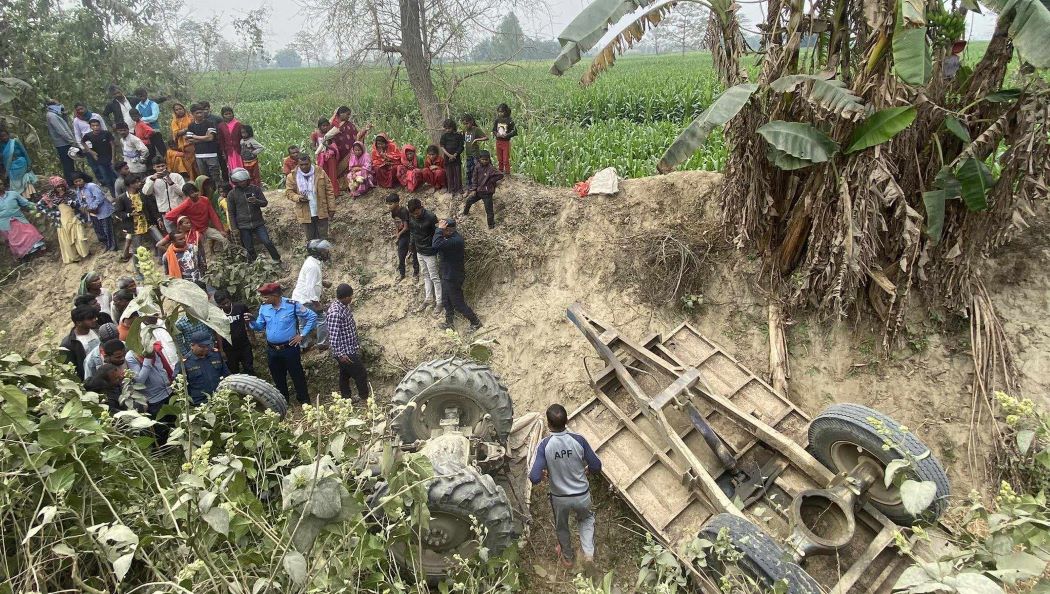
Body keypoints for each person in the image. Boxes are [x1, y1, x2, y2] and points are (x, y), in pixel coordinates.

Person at [529, 403, 602, 569]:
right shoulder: (578, 440)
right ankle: (588, 555)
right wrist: (588, 470)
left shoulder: (545, 445)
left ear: (548, 424)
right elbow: (596, 466)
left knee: (562, 526)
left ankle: (568, 559)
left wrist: (542, 474)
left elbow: (533, 478)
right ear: (567, 420)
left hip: (560, 498)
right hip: (582, 495)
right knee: (586, 519)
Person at [247, 283, 316, 405]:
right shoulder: (264, 308)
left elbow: (312, 316)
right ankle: (283, 403)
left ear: (275, 295)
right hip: (272, 350)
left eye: (266, 297)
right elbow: (259, 327)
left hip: (289, 348)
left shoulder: (292, 305)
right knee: (278, 378)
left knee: (297, 375)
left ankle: (304, 401)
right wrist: (251, 322)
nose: (263, 299)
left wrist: (302, 335)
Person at [433, 219, 482, 331]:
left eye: (442, 229)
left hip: (453, 276)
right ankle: (449, 323)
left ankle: (475, 322)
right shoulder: (448, 237)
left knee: (457, 303)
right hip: (447, 274)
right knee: (446, 300)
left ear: (449, 230)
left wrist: (439, 231)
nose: (439, 231)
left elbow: (435, 245)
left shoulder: (456, 240)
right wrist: (440, 230)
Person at [125, 337, 175, 442]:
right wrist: (147, 360)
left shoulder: (154, 349)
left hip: (169, 392)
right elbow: (139, 381)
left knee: (175, 425)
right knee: (162, 432)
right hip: (154, 399)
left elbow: (163, 367)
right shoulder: (132, 356)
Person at [327, 283, 369, 402]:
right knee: (361, 373)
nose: (351, 298)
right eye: (350, 296)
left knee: (344, 374)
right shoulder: (335, 313)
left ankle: (346, 399)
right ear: (345, 297)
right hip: (345, 352)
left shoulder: (343, 307)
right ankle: (365, 399)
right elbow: (333, 337)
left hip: (349, 348)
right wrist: (341, 354)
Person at [227, 168, 281, 262]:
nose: (243, 183)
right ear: (235, 182)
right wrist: (234, 228)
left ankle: (277, 259)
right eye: (240, 181)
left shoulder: (255, 189)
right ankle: (255, 263)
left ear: (248, 179)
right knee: (249, 247)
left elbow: (264, 203)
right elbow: (231, 212)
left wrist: (256, 201)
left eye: (244, 180)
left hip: (258, 222)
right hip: (243, 225)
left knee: (267, 241)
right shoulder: (232, 194)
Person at [315, 107, 370, 194]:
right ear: (341, 114)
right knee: (335, 171)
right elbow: (327, 137)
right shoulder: (333, 124)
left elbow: (356, 136)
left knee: (348, 168)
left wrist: (364, 131)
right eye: (347, 114)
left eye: (349, 114)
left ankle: (349, 185)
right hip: (335, 153)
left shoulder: (350, 125)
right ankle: (337, 187)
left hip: (348, 152)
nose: (349, 116)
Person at [39, 177, 90, 264]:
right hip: (61, 221)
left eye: (62, 186)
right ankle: (74, 258)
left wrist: (70, 202)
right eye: (58, 187)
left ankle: (85, 254)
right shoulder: (50, 196)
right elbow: (39, 206)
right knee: (67, 242)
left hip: (74, 218)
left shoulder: (71, 193)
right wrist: (52, 214)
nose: (60, 188)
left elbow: (80, 203)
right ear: (54, 187)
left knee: (80, 237)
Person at [164, 183, 228, 252]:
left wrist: (221, 230)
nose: (194, 194)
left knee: (224, 240)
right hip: (194, 231)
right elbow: (169, 215)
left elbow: (213, 216)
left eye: (195, 192)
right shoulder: (186, 204)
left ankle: (228, 256)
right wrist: (182, 221)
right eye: (191, 193)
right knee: (195, 249)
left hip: (205, 228)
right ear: (187, 195)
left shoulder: (205, 200)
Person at [286, 153, 336, 241]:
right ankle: (313, 254)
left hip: (321, 211)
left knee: (323, 237)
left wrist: (331, 208)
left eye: (306, 164)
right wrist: (298, 198)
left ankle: (324, 254)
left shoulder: (320, 172)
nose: (304, 167)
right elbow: (289, 192)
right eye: (301, 165)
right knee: (311, 239)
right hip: (305, 212)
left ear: (310, 162)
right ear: (298, 164)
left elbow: (329, 190)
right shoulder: (292, 176)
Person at [291, 239, 331, 347]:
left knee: (304, 322)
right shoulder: (313, 266)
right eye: (323, 251)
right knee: (321, 318)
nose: (326, 252)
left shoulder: (313, 261)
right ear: (316, 252)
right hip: (305, 300)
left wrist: (322, 282)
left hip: (301, 299)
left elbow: (310, 280)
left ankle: (304, 345)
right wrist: (317, 304)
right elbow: (310, 287)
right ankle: (322, 343)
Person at [407, 198, 442, 315]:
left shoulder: (431, 217)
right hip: (419, 250)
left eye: (416, 212)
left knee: (435, 277)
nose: (415, 215)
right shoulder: (411, 216)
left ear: (420, 208)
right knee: (425, 275)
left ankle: (439, 302)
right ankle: (428, 299)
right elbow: (412, 232)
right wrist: (411, 246)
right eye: (413, 213)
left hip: (430, 251)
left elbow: (438, 233)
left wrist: (435, 247)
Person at [0, 178, 46, 260]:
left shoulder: (13, 194)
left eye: (1, 184)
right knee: (14, 242)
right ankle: (25, 257)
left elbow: (26, 203)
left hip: (19, 219)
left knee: (31, 233)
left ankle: (40, 250)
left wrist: (39, 205)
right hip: (5, 225)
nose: (0, 186)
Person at [73, 172, 117, 252]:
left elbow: (100, 197)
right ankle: (107, 245)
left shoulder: (91, 186)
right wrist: (85, 207)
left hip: (103, 211)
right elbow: (81, 201)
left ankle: (113, 248)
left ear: (83, 179)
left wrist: (92, 207)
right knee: (99, 232)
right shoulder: (78, 191)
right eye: (76, 182)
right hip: (92, 214)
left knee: (108, 230)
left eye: (79, 180)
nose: (78, 183)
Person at [183, 331, 229, 406]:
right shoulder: (184, 363)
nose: (206, 348)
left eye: (207, 345)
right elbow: (182, 388)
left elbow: (227, 375)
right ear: (192, 345)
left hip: (221, 398)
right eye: (202, 346)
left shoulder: (216, 355)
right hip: (201, 404)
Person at [214, 289, 254, 375]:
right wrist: (221, 350)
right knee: (233, 371)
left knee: (249, 368)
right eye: (223, 304)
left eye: (227, 302)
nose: (226, 305)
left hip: (244, 345)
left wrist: (252, 338)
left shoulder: (240, 307)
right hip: (228, 348)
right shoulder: (217, 314)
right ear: (218, 304)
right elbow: (218, 332)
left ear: (230, 299)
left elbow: (248, 323)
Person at [463, 150, 505, 229]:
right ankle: (465, 213)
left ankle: (491, 226)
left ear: (489, 159)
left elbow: (500, 175)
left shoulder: (491, 168)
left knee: (489, 210)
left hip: (487, 193)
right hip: (478, 191)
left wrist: (491, 181)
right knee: (469, 201)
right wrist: (474, 189)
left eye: (486, 160)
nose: (484, 161)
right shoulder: (477, 167)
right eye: (483, 159)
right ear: (479, 159)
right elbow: (474, 179)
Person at [144, 158, 186, 232]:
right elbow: (146, 192)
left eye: (162, 166)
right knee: (173, 235)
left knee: (185, 231)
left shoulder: (176, 176)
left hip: (179, 210)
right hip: (166, 213)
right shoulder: (150, 179)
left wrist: (171, 182)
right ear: (154, 167)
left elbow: (183, 192)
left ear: (166, 165)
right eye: (158, 166)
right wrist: (152, 179)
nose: (161, 168)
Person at [60, 305, 101, 379]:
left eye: (94, 317)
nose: (94, 320)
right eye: (90, 319)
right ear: (78, 322)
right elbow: (70, 370)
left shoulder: (98, 331)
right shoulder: (69, 344)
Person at [185, 104, 223, 183]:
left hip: (211, 154)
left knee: (215, 177)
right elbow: (190, 140)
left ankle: (219, 193)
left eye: (201, 112)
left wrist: (195, 136)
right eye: (197, 113)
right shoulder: (191, 126)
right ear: (192, 114)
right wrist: (205, 137)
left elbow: (211, 138)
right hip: (199, 155)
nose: (200, 115)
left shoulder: (210, 123)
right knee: (204, 179)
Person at [81, 118, 118, 197]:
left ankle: (122, 192)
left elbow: (112, 145)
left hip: (110, 158)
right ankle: (114, 195)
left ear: (100, 126)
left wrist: (113, 158)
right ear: (90, 127)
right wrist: (91, 152)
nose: (95, 127)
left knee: (116, 176)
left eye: (97, 125)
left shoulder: (106, 133)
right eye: (93, 126)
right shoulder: (89, 135)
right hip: (99, 160)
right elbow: (82, 142)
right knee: (107, 179)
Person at [386, 193, 419, 281]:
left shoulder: (403, 211)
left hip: (409, 234)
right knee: (401, 255)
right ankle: (402, 274)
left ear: (397, 203)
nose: (389, 206)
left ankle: (416, 273)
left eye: (390, 204)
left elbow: (406, 227)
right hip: (402, 235)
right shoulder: (393, 212)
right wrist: (397, 235)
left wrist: (398, 234)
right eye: (388, 204)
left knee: (414, 253)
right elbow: (396, 223)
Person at [44, 100, 77, 182]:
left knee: (70, 163)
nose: (60, 105)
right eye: (58, 104)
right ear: (53, 106)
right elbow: (61, 130)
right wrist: (71, 141)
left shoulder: (55, 115)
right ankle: (70, 183)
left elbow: (65, 125)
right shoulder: (51, 116)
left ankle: (72, 182)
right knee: (68, 165)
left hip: (65, 143)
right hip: (63, 144)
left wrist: (64, 114)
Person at [1, 127, 39, 196]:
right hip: (11, 168)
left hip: (21, 164)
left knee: (26, 181)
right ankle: (22, 199)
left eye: (5, 135)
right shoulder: (1, 146)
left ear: (8, 135)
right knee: (16, 184)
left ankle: (32, 196)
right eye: (2, 136)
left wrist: (29, 164)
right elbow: (2, 159)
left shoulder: (15, 141)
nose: (4, 137)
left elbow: (24, 152)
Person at [166, 102, 196, 179]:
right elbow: (176, 133)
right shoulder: (174, 121)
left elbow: (195, 126)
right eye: (177, 110)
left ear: (184, 109)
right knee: (189, 166)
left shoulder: (191, 117)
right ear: (174, 111)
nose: (179, 111)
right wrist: (188, 128)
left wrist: (184, 130)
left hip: (195, 143)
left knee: (196, 165)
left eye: (180, 109)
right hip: (184, 146)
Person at [461, 114, 489, 190]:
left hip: (475, 154)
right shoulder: (465, 130)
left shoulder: (476, 129)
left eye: (467, 123)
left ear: (471, 122)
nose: (466, 125)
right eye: (464, 124)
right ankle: (469, 187)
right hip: (468, 154)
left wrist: (476, 139)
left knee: (477, 170)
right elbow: (464, 139)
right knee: (469, 171)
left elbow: (486, 137)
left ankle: (479, 185)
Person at [439, 119, 465, 195]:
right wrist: (449, 155)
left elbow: (461, 146)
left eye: (449, 128)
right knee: (449, 174)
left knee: (457, 173)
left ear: (453, 127)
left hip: (456, 157)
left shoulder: (458, 135)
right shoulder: (444, 136)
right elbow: (442, 146)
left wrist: (455, 154)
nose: (447, 130)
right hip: (447, 157)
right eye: (446, 128)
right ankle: (451, 189)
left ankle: (459, 188)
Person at [492, 103, 517, 174]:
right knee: (499, 158)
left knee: (506, 159)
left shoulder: (510, 120)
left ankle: (507, 173)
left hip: (506, 142)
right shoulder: (497, 120)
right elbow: (494, 130)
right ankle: (500, 171)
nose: (500, 113)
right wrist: (496, 134)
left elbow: (514, 131)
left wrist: (507, 135)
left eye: (502, 112)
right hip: (498, 141)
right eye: (499, 112)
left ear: (505, 111)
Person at [218, 107, 244, 174]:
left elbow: (242, 137)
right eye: (226, 114)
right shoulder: (221, 126)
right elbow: (221, 140)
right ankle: (234, 183)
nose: (228, 115)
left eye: (230, 113)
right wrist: (223, 151)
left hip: (238, 150)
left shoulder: (238, 124)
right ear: (222, 115)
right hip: (229, 151)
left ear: (233, 114)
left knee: (241, 166)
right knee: (231, 167)